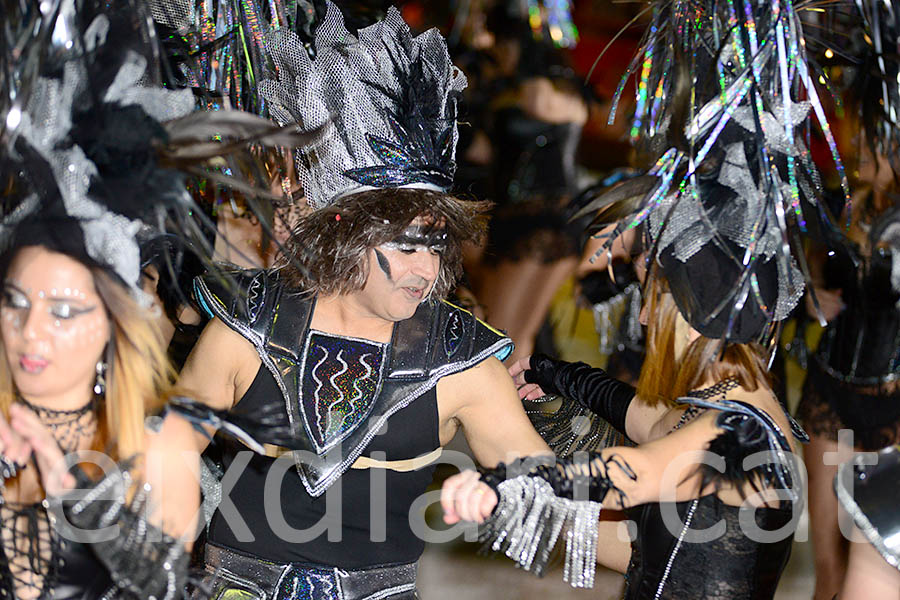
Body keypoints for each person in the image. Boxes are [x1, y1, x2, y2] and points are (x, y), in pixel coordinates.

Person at [178, 4, 550, 598]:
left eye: (435, 246)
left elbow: (537, 470)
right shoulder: (247, 322)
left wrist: (504, 488)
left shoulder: (461, 360)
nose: (426, 269)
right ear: (344, 234)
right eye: (405, 247)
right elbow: (175, 436)